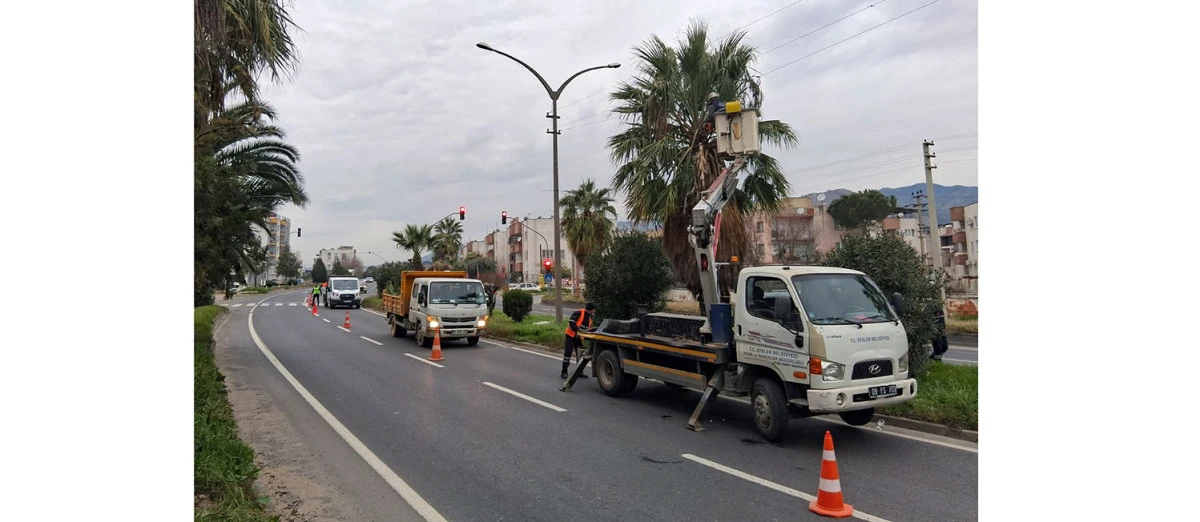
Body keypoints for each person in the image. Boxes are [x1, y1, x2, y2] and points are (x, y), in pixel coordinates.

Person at [562, 302, 596, 379]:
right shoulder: (579, 312)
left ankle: (579, 372)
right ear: (590, 309)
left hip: (578, 338)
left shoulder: (589, 317)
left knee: (580, 354)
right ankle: (564, 372)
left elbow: (588, 329)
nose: (594, 311)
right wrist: (577, 329)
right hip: (570, 336)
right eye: (593, 310)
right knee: (567, 354)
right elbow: (571, 321)